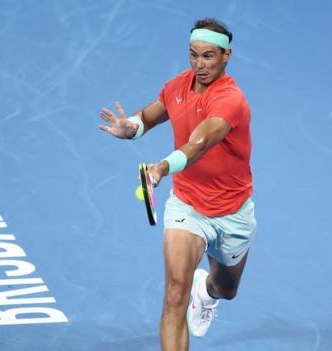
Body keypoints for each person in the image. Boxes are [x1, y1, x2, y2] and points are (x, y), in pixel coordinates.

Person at [98, 18, 256, 351]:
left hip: (232, 211)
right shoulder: (177, 86)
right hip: (187, 206)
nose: (199, 64)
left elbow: (198, 143)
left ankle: (207, 292)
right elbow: (150, 115)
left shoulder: (230, 100)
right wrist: (132, 128)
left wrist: (163, 166)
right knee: (173, 294)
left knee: (227, 289)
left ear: (226, 56)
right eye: (194, 55)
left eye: (209, 56)